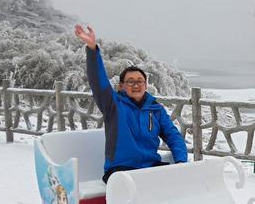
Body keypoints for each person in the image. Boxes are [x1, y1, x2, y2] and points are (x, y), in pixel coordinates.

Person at [74, 24, 188, 181]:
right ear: (121, 86)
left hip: (149, 167)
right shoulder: (112, 105)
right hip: (120, 171)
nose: (136, 85)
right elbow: (98, 81)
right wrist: (92, 49)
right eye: (130, 81)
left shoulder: (156, 109)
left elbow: (173, 136)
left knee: (178, 182)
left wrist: (182, 161)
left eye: (140, 81)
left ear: (146, 85)